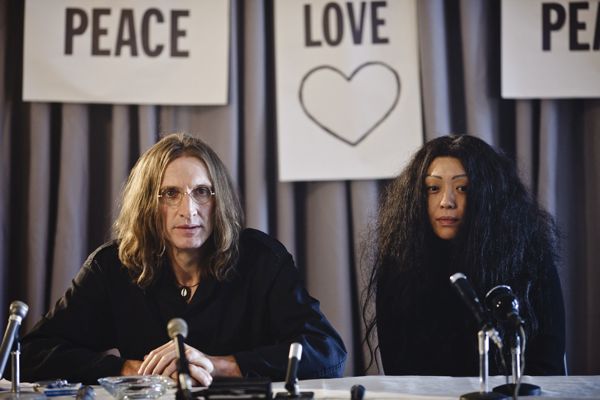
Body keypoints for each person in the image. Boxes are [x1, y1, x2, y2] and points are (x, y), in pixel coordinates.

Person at [20, 133, 347, 385]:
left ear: (218, 201)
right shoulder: (112, 267)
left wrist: (216, 365)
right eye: (170, 194)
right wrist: (135, 370)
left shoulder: (262, 259)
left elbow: (328, 352)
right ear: (147, 204)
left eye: (201, 192)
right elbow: (29, 354)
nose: (188, 211)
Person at [363, 134, 565, 376]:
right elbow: (400, 371)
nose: (446, 202)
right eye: (433, 188)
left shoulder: (530, 261)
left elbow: (548, 366)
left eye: (462, 188)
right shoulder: (398, 266)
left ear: (489, 196)